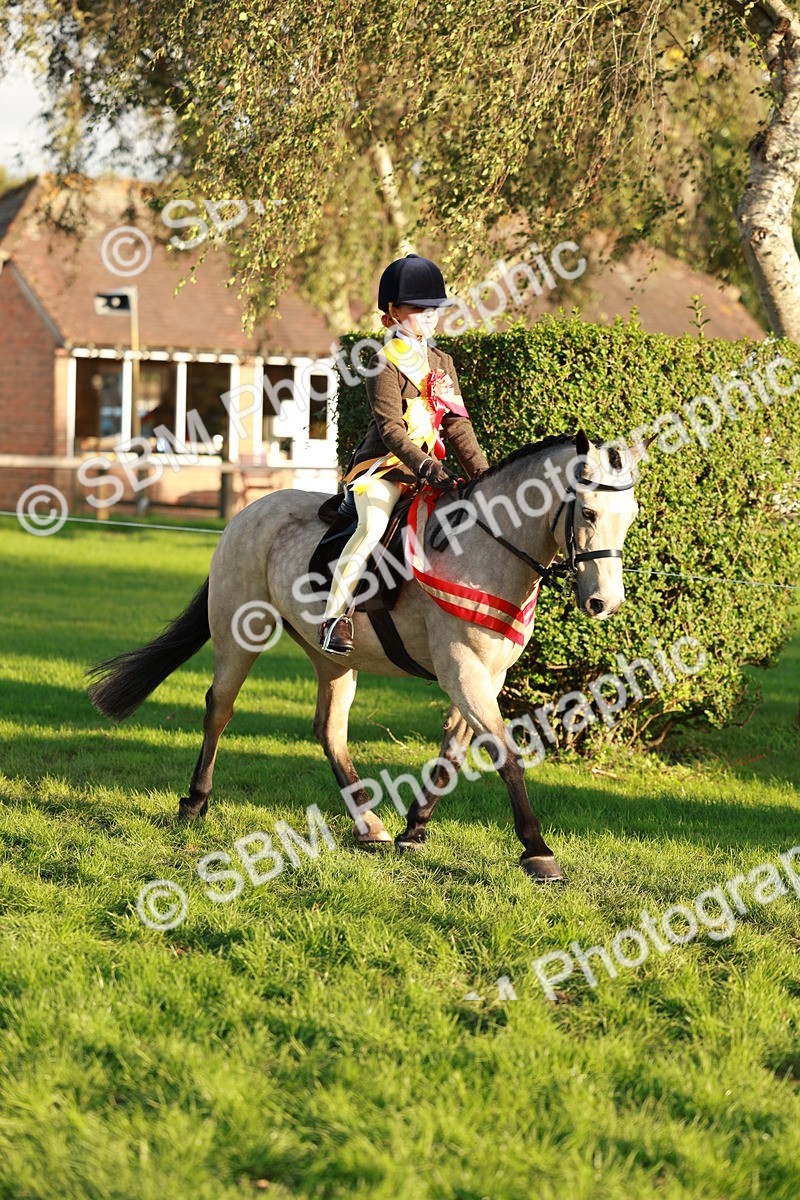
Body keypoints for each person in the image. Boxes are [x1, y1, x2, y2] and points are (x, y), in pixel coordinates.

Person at [318, 253, 490, 654]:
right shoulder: (383, 362)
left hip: (429, 472)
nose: (430, 316)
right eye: (418, 308)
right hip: (383, 470)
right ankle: (334, 618)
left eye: (435, 308)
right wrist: (426, 465)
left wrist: (484, 476)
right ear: (393, 312)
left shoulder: (442, 362)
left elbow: (457, 426)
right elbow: (391, 430)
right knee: (372, 527)